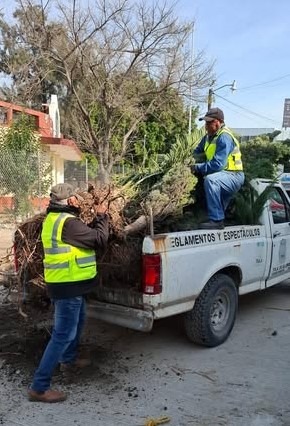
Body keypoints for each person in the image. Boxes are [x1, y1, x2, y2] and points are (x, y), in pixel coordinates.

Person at [28, 183, 109, 403]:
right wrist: (102, 217)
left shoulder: (56, 219)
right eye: (75, 196)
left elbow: (83, 237)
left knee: (79, 319)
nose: (79, 198)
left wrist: (94, 222)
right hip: (68, 287)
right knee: (63, 335)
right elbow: (100, 239)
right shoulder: (68, 223)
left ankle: (69, 360)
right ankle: (39, 387)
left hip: (70, 284)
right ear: (70, 200)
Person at [192, 107, 245, 229]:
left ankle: (216, 221)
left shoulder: (224, 137)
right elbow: (196, 152)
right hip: (223, 175)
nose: (206, 126)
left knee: (211, 180)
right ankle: (217, 217)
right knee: (216, 199)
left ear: (218, 122)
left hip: (233, 176)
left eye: (208, 123)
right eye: (205, 123)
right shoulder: (207, 137)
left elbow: (218, 164)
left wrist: (196, 167)